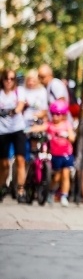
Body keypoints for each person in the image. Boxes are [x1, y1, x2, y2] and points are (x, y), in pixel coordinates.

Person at [35, 99, 75, 207]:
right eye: (53, 114)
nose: (55, 117)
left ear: (63, 115)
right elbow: (40, 127)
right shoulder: (50, 125)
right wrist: (28, 129)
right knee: (57, 176)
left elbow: (72, 137)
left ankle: (64, 196)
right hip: (55, 155)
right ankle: (51, 191)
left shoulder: (66, 124)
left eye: (58, 114)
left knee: (65, 174)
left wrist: (66, 135)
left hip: (66, 154)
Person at [0, 68, 26, 202]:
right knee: (4, 163)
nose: (9, 82)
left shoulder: (19, 91)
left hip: (17, 128)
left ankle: (21, 189)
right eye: (6, 79)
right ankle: (2, 186)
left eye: (11, 79)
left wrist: (13, 111)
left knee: (20, 159)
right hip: (3, 131)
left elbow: (21, 105)